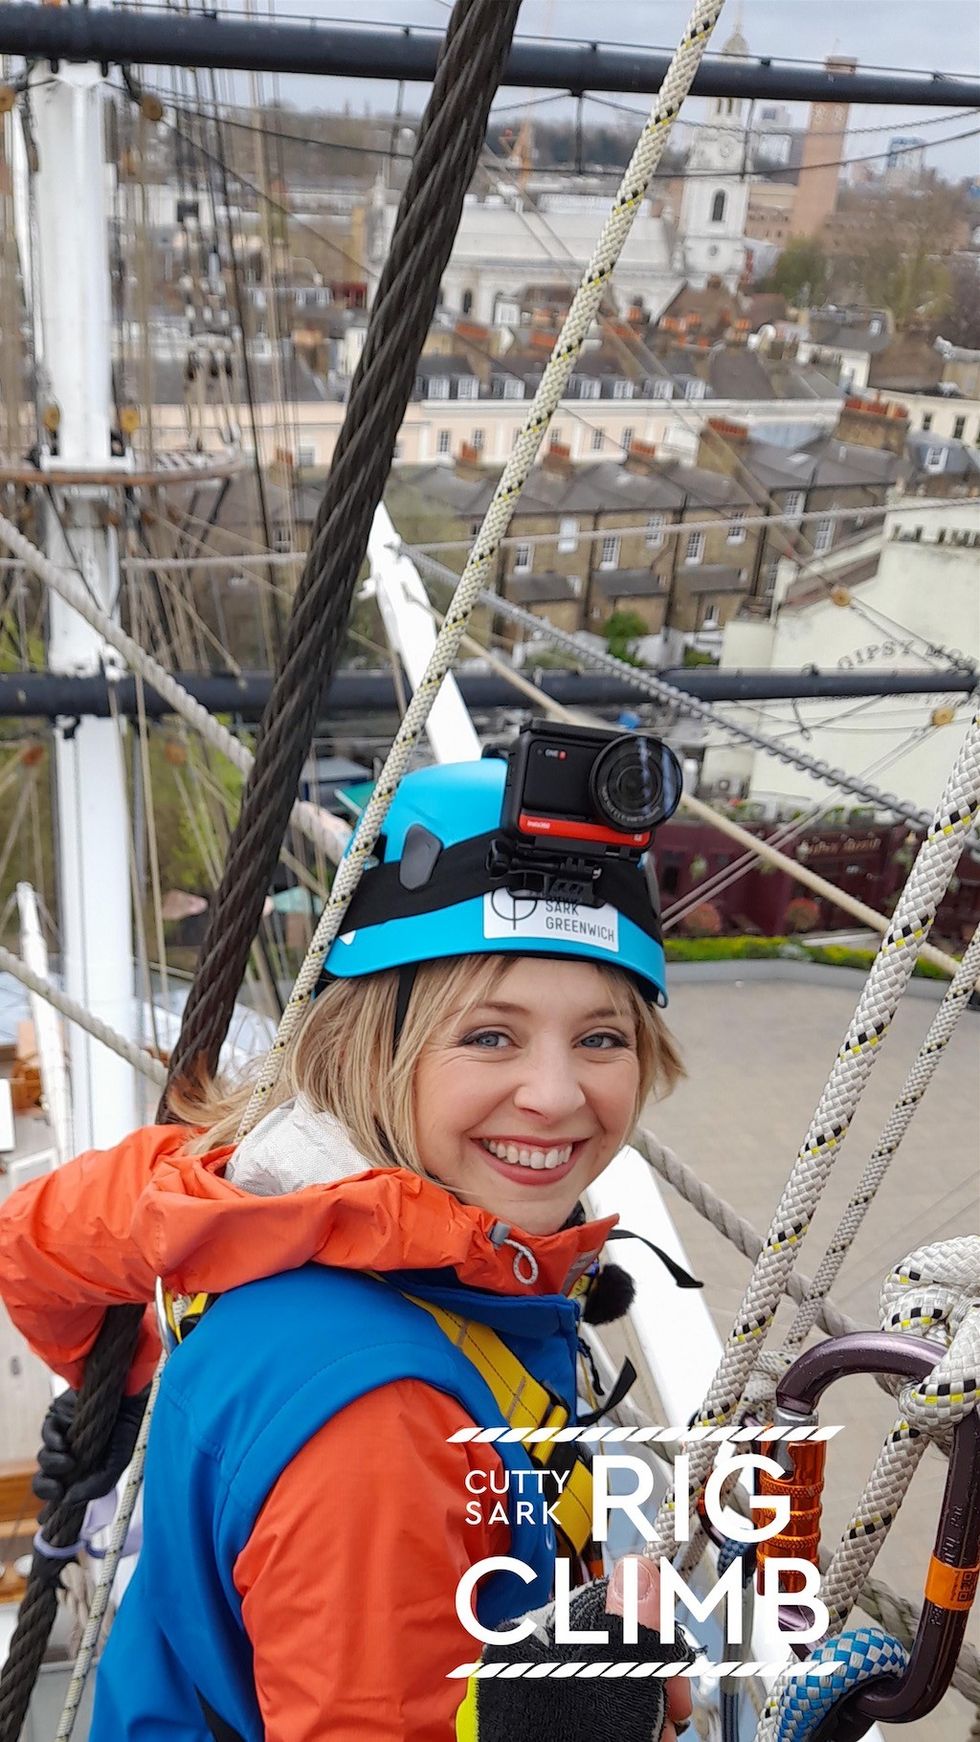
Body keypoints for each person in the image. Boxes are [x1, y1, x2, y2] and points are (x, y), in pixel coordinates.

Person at [0, 742, 698, 1741]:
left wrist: (122, 1382)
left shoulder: (241, 1198)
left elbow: (38, 1234)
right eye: (488, 1036)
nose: (554, 1094)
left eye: (601, 1036)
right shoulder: (383, 1418)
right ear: (367, 1044)